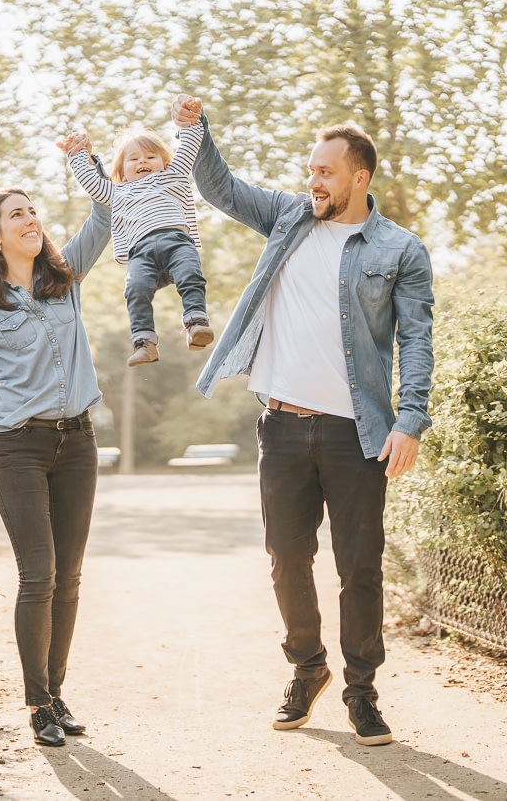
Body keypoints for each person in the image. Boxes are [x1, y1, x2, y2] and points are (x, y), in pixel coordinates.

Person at [173, 94, 435, 747]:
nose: (312, 181)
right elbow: (221, 187)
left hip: (358, 434)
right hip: (284, 427)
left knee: (359, 566)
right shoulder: (289, 216)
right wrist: (195, 130)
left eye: (325, 172)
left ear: (359, 177)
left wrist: (411, 417)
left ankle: (361, 690)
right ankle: (307, 665)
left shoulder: (400, 249)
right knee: (286, 557)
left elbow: (417, 339)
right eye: (310, 170)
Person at [0, 135, 111, 748]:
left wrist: (83, 163)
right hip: (17, 448)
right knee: (40, 575)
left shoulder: (67, 278)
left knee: (72, 575)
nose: (30, 219)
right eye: (16, 214)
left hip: (76, 444)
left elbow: (109, 212)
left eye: (33, 210)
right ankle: (37, 705)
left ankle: (57, 695)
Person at [63, 107, 213, 368]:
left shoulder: (173, 175)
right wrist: (77, 154)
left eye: (150, 156)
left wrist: (190, 118)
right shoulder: (117, 192)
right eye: (133, 159)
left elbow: (190, 144)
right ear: (120, 171)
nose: (142, 162)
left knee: (191, 273)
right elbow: (90, 181)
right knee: (135, 289)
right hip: (140, 253)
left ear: (164, 162)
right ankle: (144, 342)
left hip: (176, 242)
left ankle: (197, 323)